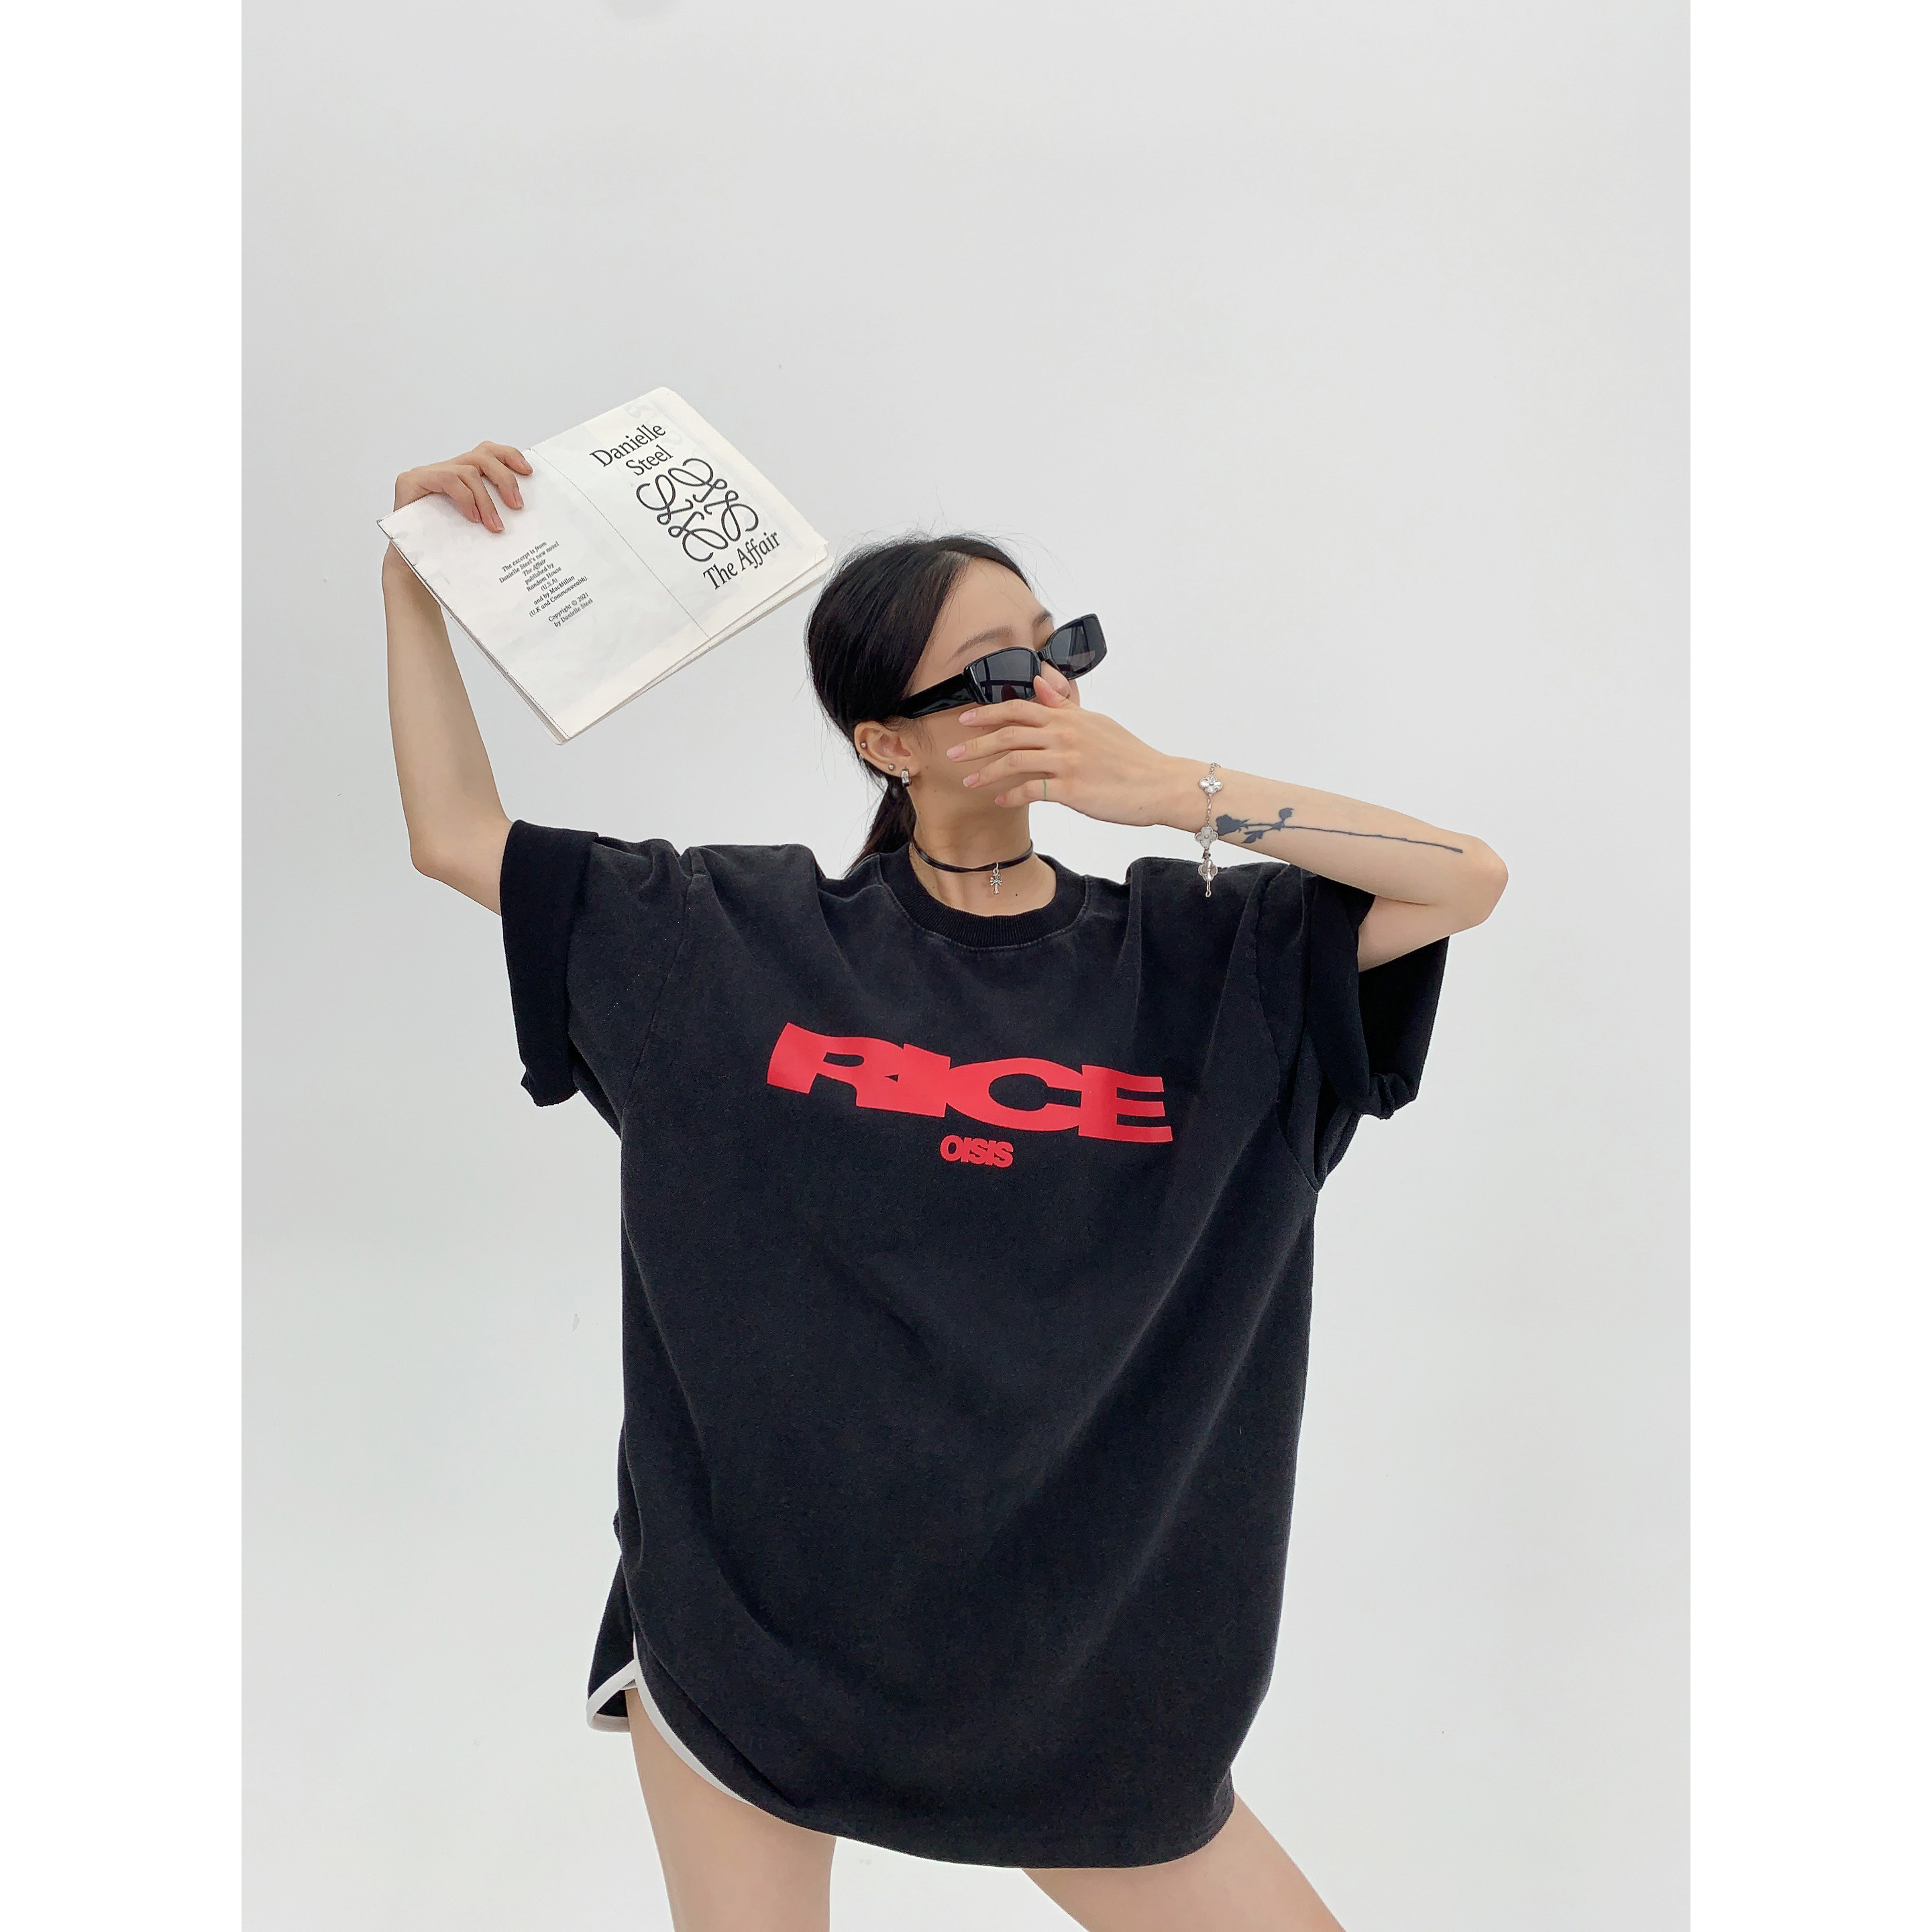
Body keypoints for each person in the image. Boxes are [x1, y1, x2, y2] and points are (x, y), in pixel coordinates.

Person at [383, 439, 1508, 1932]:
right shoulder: (735, 940)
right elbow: (457, 837)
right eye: (992, 675)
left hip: (1083, 1689)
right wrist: (414, 574)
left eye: (1057, 655)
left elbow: (1462, 876)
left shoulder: (1202, 960)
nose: (1044, 697)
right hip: (753, 1654)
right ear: (886, 742)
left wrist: (1171, 790)